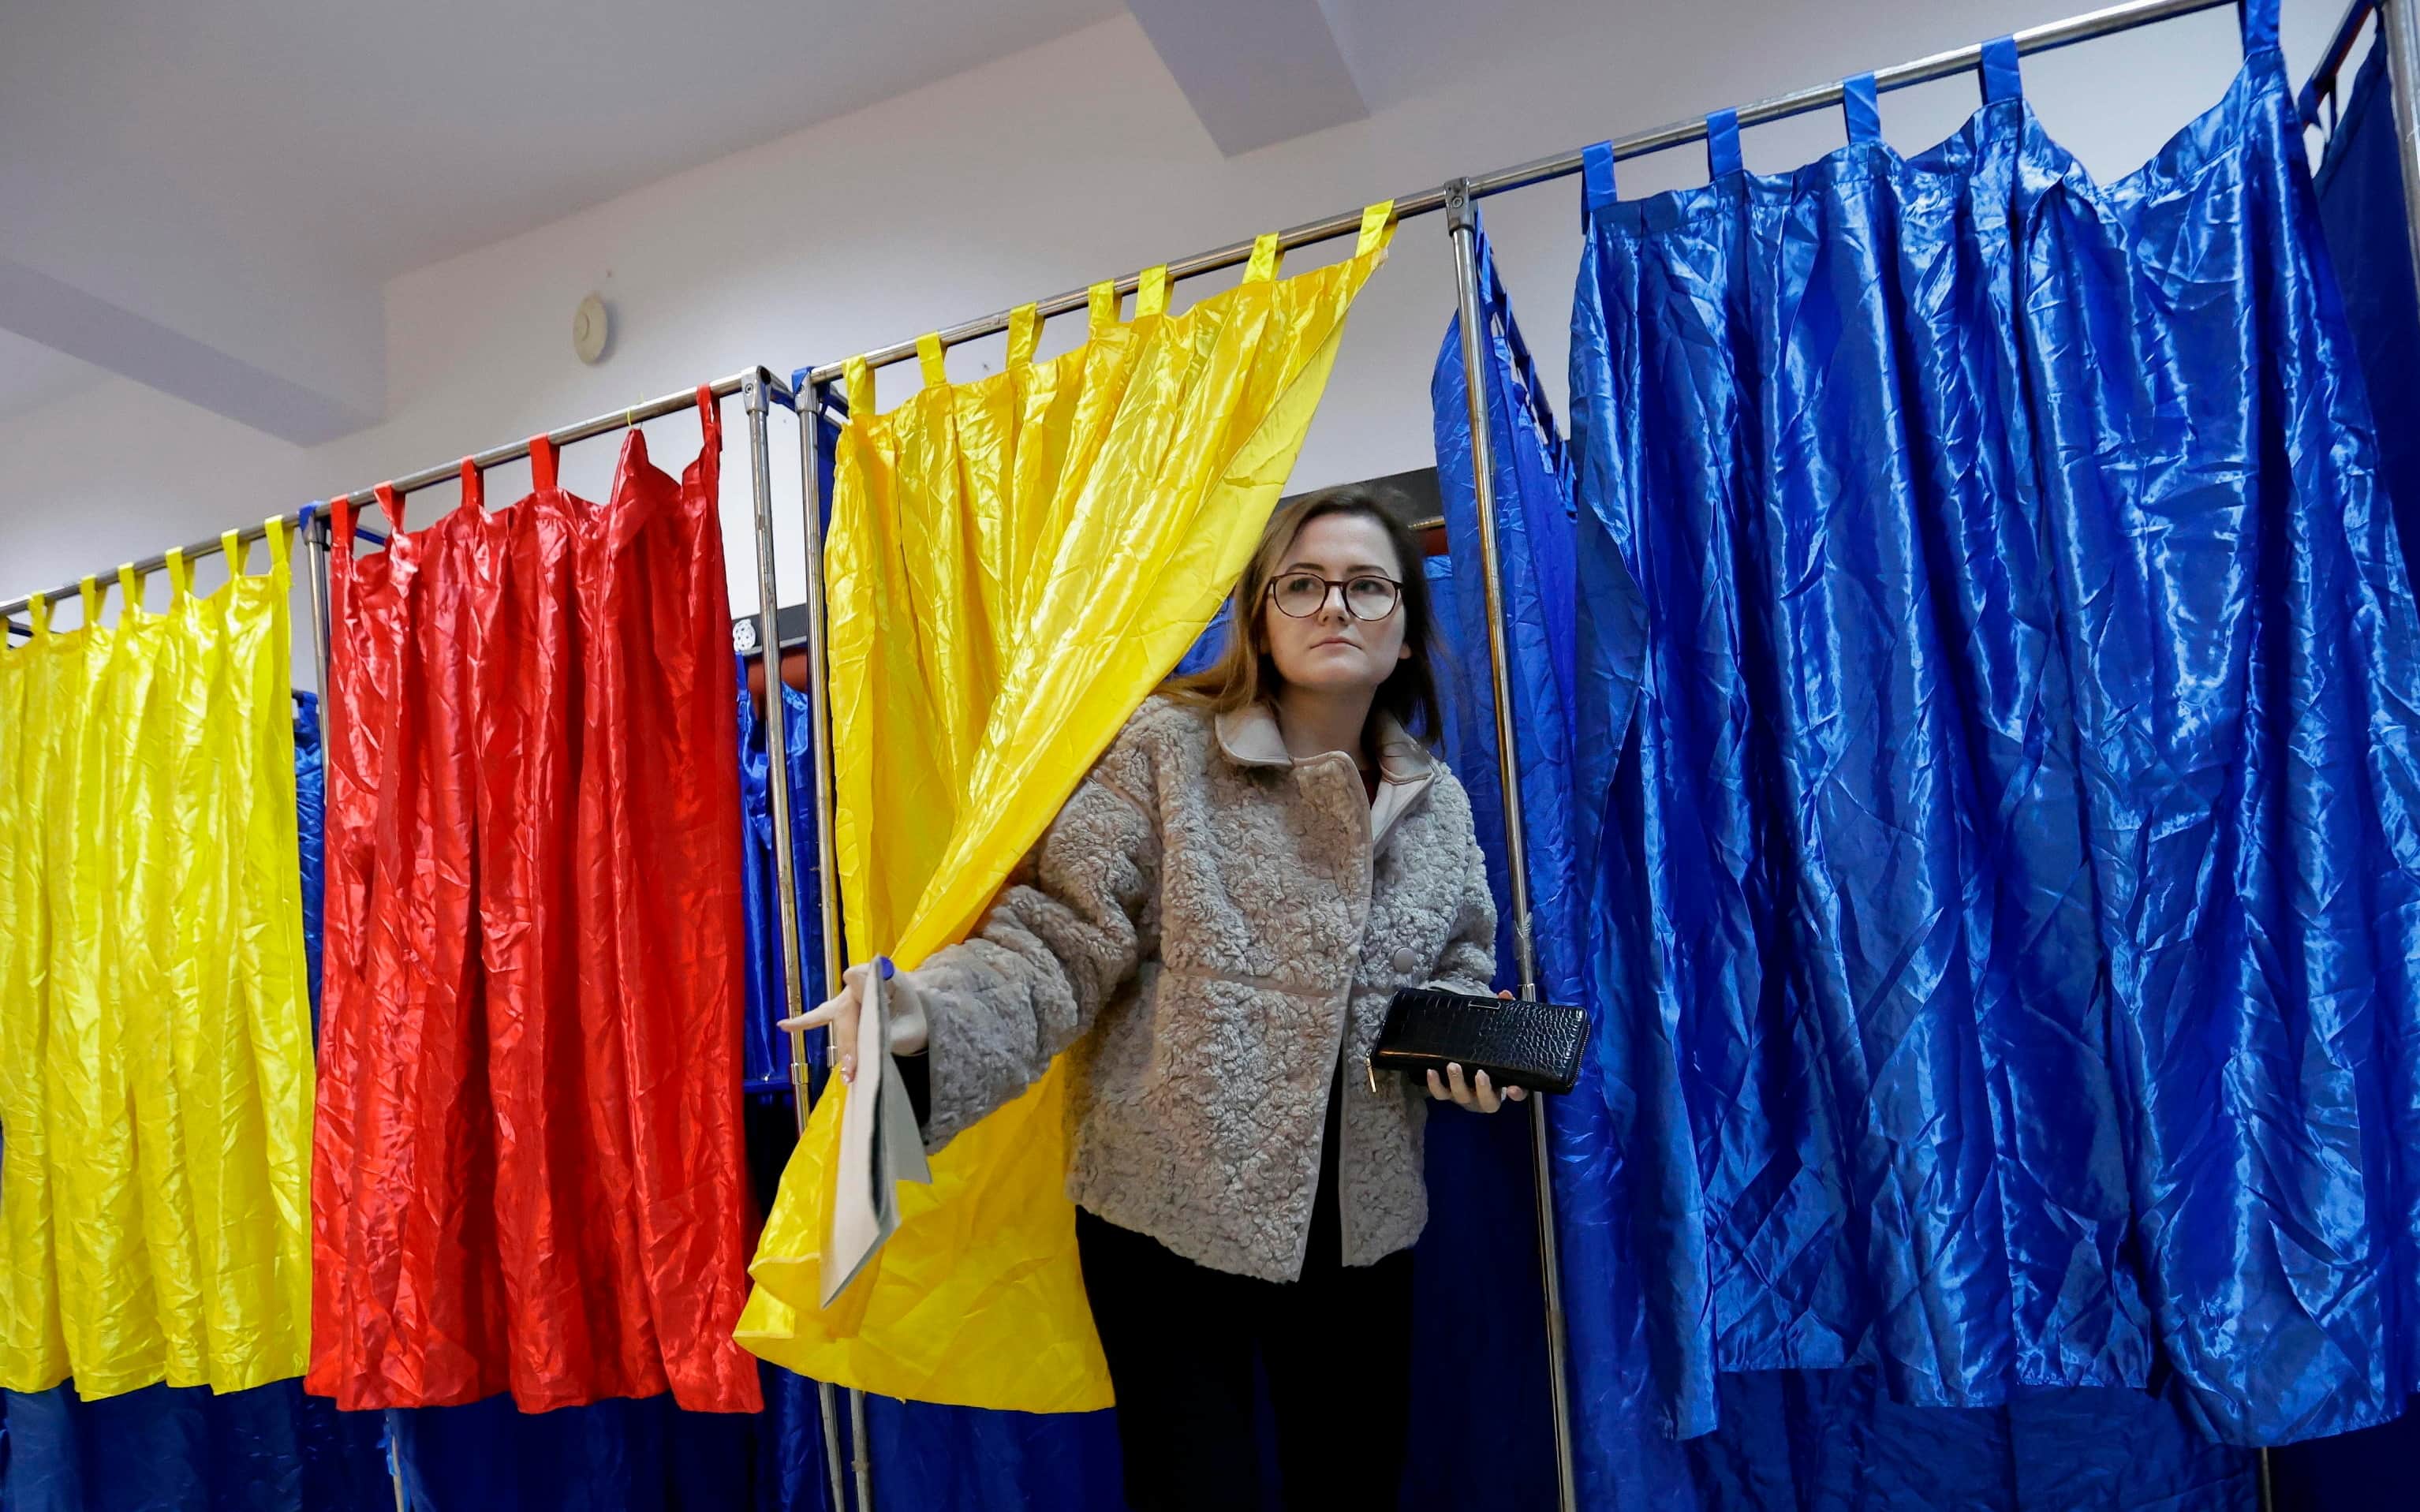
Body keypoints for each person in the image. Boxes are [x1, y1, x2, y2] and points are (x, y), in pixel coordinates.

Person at [787, 484, 1519, 1511]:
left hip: (1362, 1228)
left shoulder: (1433, 801)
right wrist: (927, 1017)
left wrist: (1467, 1047)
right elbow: (1053, 942)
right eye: (1302, 584)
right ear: (1259, 616)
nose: (1335, 608)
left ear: (1405, 631)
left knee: (1354, 1490)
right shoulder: (1163, 753)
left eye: (1366, 587)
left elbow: (1451, 963)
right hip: (1168, 1220)